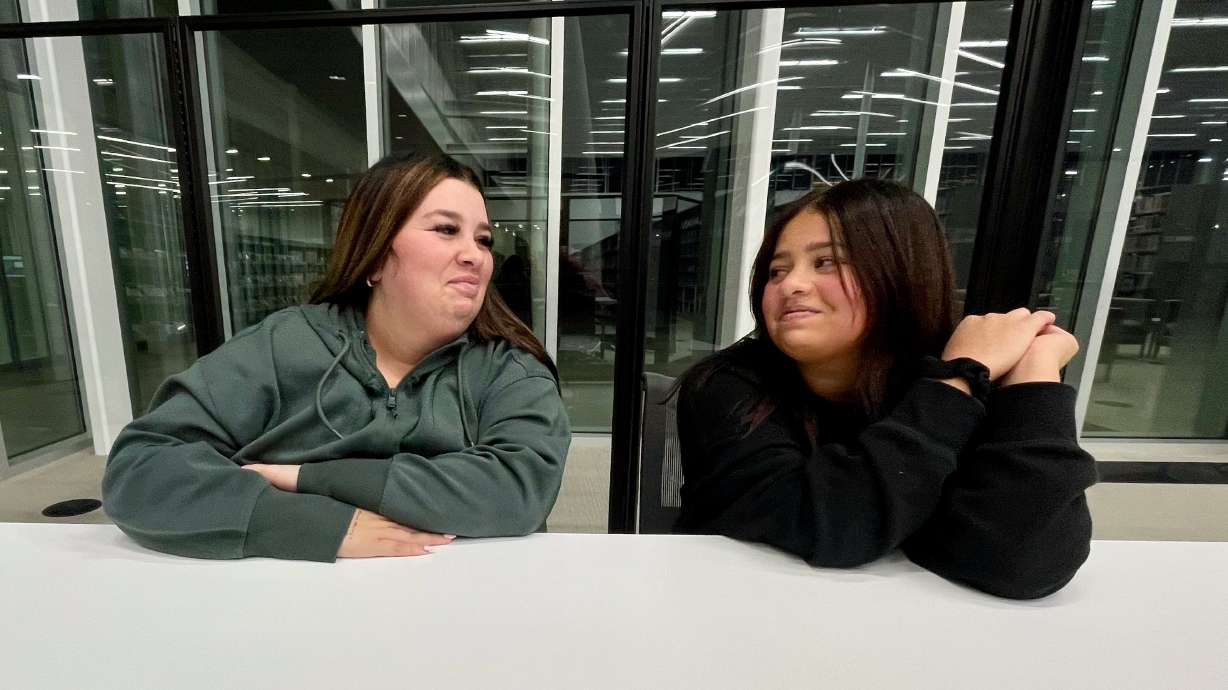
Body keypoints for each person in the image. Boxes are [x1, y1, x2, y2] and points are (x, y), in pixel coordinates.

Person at [103, 154, 571, 562]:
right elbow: (141, 470)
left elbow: (517, 488)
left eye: (484, 239)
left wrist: (307, 478)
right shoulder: (283, 345)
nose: (476, 256)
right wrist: (313, 524)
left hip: (465, 612)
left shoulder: (512, 369)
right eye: (447, 230)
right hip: (294, 612)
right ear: (373, 257)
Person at [673, 179, 1097, 599]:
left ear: (899, 273)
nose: (791, 285)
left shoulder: (960, 380)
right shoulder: (728, 387)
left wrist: (1036, 374)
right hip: (748, 609)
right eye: (776, 271)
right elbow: (831, 526)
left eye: (826, 263)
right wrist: (955, 379)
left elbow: (1023, 562)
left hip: (905, 629)